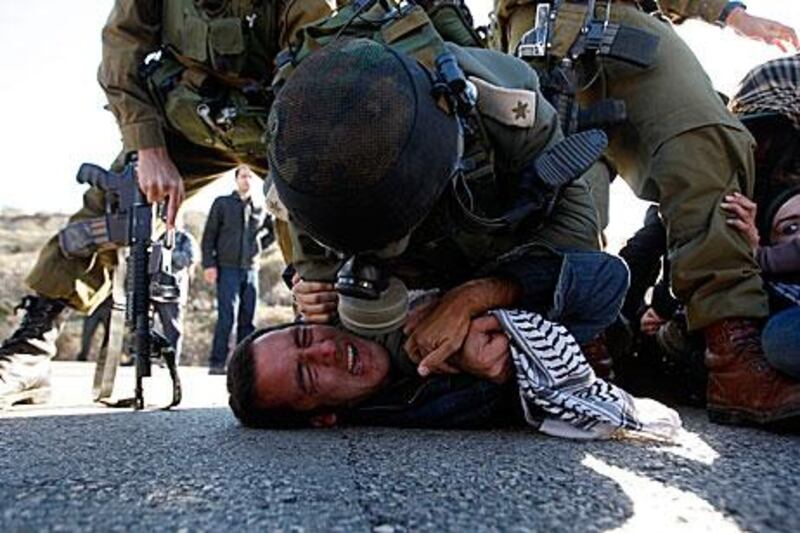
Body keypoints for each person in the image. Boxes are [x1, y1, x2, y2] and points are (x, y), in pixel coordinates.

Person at [269, 3, 623, 391]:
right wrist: (435, 347)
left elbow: (581, 254)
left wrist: (475, 298)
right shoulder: (297, 169)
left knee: (588, 319)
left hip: (503, 222)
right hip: (422, 272)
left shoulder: (502, 106)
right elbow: (343, 325)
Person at [0, 0, 333, 407]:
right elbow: (123, 44)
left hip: (279, 121)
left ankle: (327, 346)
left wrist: (300, 166)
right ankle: (31, 348)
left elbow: (322, 63)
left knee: (326, 212)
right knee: (112, 202)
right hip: (189, 120)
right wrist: (147, 146)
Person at [492, 0, 800, 426]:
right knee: (556, 177)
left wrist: (731, 13)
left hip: (629, 19)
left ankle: (733, 352)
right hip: (532, 21)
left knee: (706, 135)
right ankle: (575, 352)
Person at [226, 279, 682, 441]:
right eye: (309, 374)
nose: (325, 350)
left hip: (629, 328)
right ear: (322, 419)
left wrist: (468, 301)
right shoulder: (421, 407)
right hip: (655, 375)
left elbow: (603, 278)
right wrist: (502, 372)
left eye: (305, 335)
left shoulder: (382, 301)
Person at [202, 166, 274, 374]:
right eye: (243, 176)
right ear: (236, 180)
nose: (247, 180)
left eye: (250, 177)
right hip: (227, 268)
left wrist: (258, 248)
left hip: (251, 269)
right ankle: (217, 363)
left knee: (248, 319)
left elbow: (272, 230)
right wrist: (209, 264)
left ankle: (241, 367)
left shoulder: (260, 207)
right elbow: (209, 236)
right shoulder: (222, 204)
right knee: (227, 317)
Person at [151, 222, 200, 365]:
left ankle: (170, 362)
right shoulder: (153, 235)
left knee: (172, 329)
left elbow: (189, 258)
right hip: (150, 288)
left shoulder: (184, 238)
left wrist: (165, 254)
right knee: (143, 327)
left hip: (171, 291)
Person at [75, 296, 112, 363]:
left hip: (108, 306)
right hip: (93, 307)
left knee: (110, 335)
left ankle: (106, 355)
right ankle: (83, 355)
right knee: (87, 333)